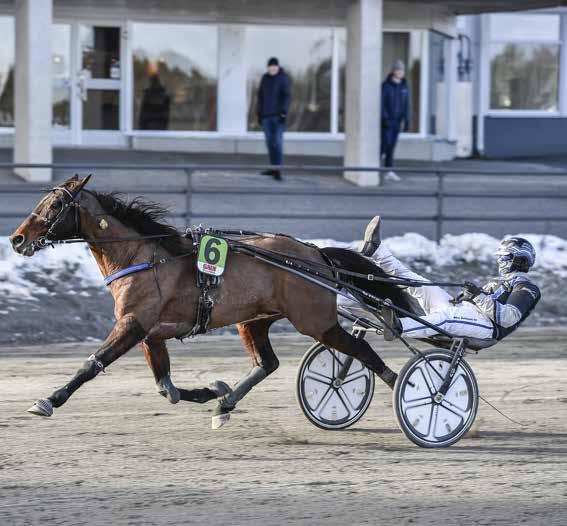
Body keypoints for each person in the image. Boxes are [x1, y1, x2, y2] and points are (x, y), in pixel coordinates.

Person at [355, 216, 541, 343]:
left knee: (446, 318)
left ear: (520, 260)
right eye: (500, 256)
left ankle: (399, 325)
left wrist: (477, 296)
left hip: (486, 328)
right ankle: (377, 252)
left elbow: (508, 318)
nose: (500, 261)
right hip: (465, 312)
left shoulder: (527, 288)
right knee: (418, 283)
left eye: (505, 257)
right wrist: (467, 296)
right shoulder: (499, 281)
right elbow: (481, 302)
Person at [256, 57, 291, 181]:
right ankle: (272, 168)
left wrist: (283, 113)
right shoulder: (264, 78)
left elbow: (287, 96)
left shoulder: (283, 78)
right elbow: (260, 97)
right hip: (266, 117)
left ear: (277, 67)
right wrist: (259, 114)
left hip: (278, 117)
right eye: (270, 66)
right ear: (268, 67)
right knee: (269, 143)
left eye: (274, 66)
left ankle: (278, 170)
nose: (272, 68)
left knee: (278, 142)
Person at [381, 60, 410, 182]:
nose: (400, 72)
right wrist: (385, 118)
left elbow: (406, 105)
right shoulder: (386, 86)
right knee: (384, 145)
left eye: (402, 70)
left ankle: (389, 171)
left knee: (391, 147)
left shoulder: (404, 87)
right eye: (398, 70)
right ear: (393, 71)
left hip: (397, 122)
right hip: (387, 122)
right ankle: (375, 169)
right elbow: (381, 103)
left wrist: (407, 120)